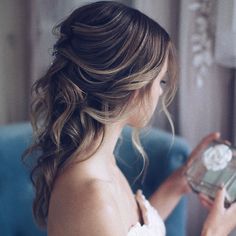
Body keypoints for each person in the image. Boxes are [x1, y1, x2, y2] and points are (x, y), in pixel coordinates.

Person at [23, 1, 236, 235]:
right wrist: (214, 231)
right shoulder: (92, 197)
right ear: (133, 87)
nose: (160, 92)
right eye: (160, 81)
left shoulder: (101, 163)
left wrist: (179, 182)